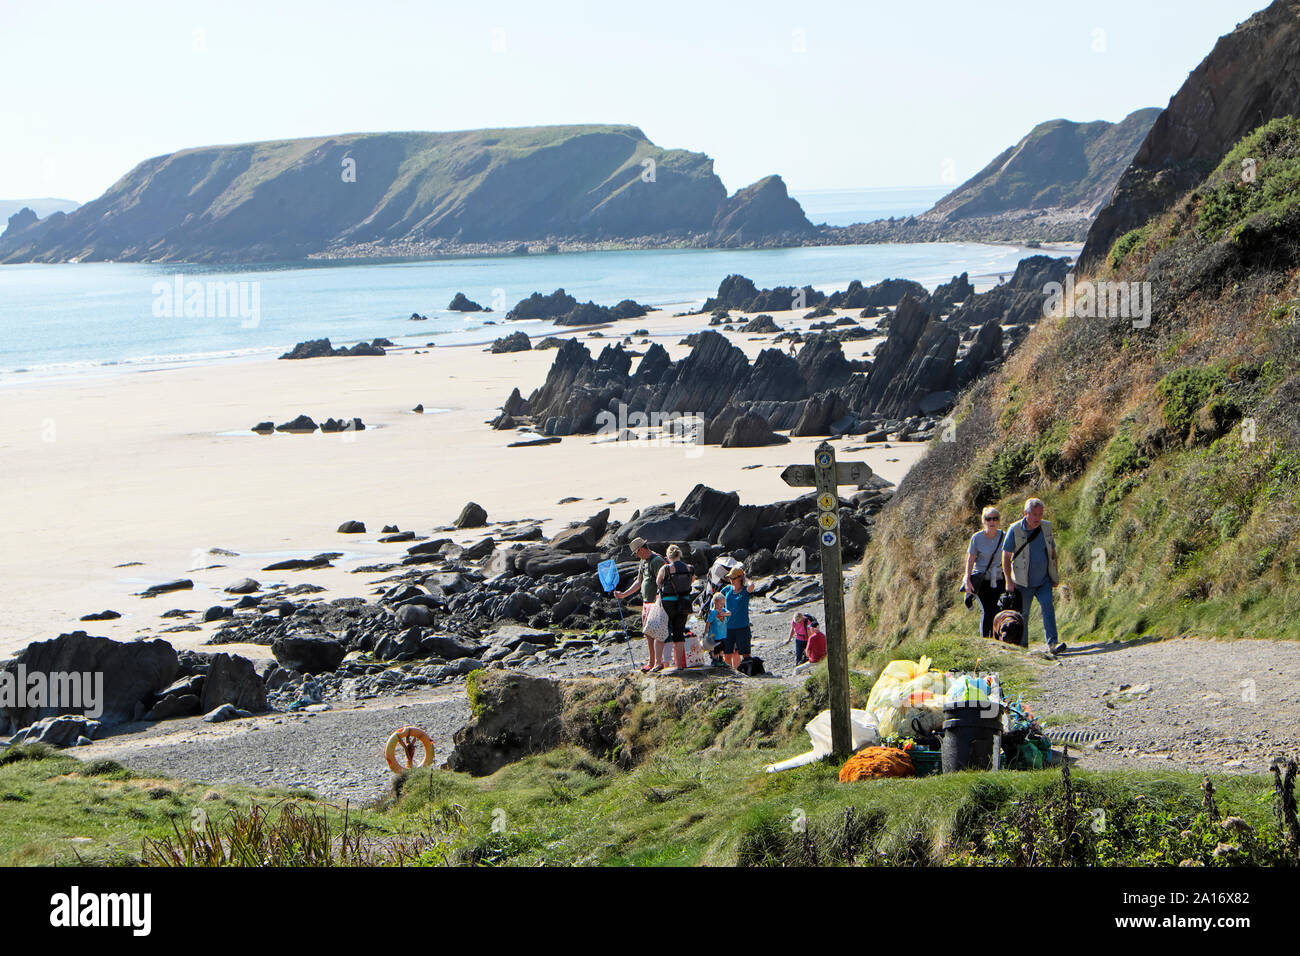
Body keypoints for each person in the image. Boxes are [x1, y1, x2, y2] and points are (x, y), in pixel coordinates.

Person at [1001, 498, 1067, 655]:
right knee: (1023, 615)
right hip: (1022, 582)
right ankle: (1023, 647)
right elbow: (1005, 556)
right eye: (1034, 514)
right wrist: (1008, 580)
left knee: (1048, 608)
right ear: (1026, 514)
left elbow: (1052, 552)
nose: (1038, 518)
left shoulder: (1046, 527)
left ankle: (1053, 643)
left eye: (1040, 514)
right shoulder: (1014, 530)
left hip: (1043, 579)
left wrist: (1054, 574)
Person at [616, 537, 666, 672]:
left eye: (636, 553)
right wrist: (624, 594)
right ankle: (652, 661)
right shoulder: (643, 562)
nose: (636, 555)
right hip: (645, 602)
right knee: (647, 632)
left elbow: (663, 581)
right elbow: (639, 582)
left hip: (656, 602)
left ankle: (658, 662)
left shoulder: (657, 561)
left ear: (642, 549)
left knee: (656, 632)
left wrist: (658, 598)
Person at [964, 506, 1007, 638]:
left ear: (999, 520)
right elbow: (970, 560)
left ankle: (997, 639)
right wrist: (967, 579)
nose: (992, 522)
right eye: (989, 519)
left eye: (995, 518)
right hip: (981, 579)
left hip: (998, 578)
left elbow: (1010, 557)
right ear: (984, 521)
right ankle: (986, 641)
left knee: (998, 610)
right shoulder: (977, 538)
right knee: (987, 611)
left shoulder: (1004, 536)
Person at [654, 544, 695, 671]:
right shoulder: (689, 568)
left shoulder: (666, 568)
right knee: (679, 633)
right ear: (680, 554)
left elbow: (658, 582)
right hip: (684, 603)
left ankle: (657, 663)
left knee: (661, 632)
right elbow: (692, 581)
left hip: (668, 603)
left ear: (668, 555)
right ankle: (679, 665)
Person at [720, 566, 755, 670]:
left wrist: (745, 578)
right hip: (728, 627)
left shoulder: (745, 591)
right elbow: (716, 598)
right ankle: (730, 673)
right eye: (730, 578)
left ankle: (747, 671)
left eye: (734, 578)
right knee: (727, 653)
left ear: (740, 578)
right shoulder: (727, 589)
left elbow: (752, 585)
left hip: (742, 627)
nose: (731, 580)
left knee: (745, 653)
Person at [705, 592, 730, 668]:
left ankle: (721, 659)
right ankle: (715, 660)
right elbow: (708, 622)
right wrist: (706, 631)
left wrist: (724, 614)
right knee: (716, 648)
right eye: (720, 604)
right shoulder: (713, 612)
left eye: (723, 604)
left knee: (723, 647)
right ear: (715, 602)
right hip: (715, 635)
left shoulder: (723, 610)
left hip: (723, 634)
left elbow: (729, 613)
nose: (722, 606)